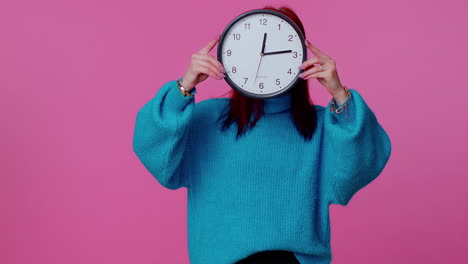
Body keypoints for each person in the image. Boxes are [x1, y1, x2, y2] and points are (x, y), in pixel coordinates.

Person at [132, 5, 392, 264]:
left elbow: (363, 165)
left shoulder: (323, 124)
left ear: (300, 57)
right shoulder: (207, 118)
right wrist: (184, 86)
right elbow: (152, 148)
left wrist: (340, 94)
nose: (266, 56)